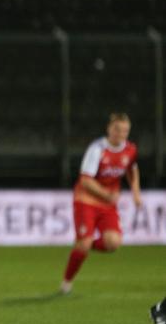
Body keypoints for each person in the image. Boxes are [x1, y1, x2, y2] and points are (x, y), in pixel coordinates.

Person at [60, 113, 142, 294]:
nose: (121, 134)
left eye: (125, 130)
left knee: (113, 243)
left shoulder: (130, 149)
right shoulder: (97, 149)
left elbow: (132, 170)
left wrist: (136, 193)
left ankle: (83, 245)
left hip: (107, 204)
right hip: (86, 200)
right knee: (84, 244)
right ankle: (66, 282)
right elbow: (85, 181)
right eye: (117, 129)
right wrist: (106, 193)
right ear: (109, 129)